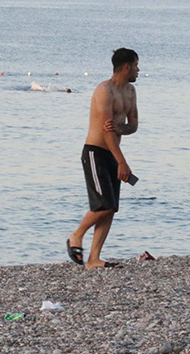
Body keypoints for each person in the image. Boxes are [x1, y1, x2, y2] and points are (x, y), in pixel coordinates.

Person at [67, 48, 139, 270]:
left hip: (113, 153)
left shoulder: (130, 91)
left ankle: (94, 259)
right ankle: (76, 236)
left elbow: (133, 124)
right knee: (104, 205)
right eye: (136, 65)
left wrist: (121, 128)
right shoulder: (104, 90)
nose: (138, 70)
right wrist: (122, 162)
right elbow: (105, 131)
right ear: (126, 66)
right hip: (95, 152)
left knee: (112, 207)